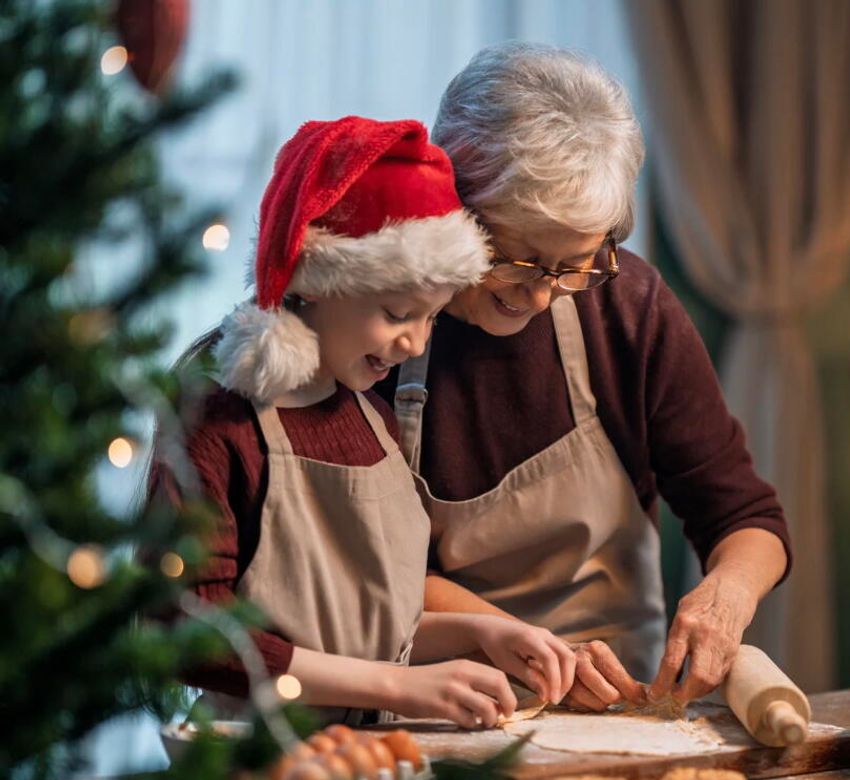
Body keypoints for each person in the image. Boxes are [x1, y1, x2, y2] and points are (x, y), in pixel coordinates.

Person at [377, 44, 792, 711]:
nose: (542, 295)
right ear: (450, 203)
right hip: (437, 695)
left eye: (574, 264)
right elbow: (367, 571)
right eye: (518, 259)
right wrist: (529, 645)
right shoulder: (376, 322)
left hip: (620, 701)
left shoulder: (627, 307)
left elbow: (747, 516)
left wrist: (729, 594)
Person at [149, 116, 575, 727]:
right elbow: (189, 633)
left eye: (430, 318)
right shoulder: (220, 419)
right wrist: (398, 688)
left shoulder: (366, 415)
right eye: (398, 312)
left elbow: (358, 633)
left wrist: (479, 634)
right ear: (315, 282)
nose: (413, 342)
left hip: (370, 766)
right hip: (256, 773)